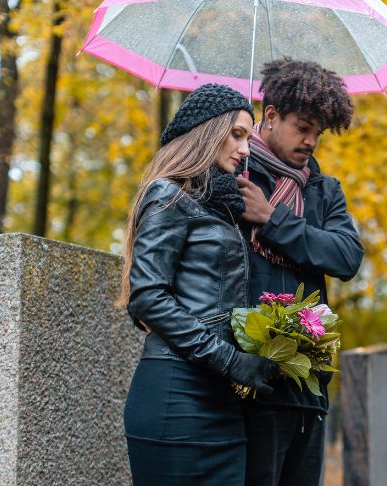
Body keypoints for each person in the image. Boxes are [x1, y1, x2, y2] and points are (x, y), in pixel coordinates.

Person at [117, 83, 279, 485]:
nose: (246, 149)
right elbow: (148, 297)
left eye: (249, 135)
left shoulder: (221, 207)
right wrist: (230, 360)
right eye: (238, 134)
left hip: (221, 401)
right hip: (176, 397)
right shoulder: (168, 194)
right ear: (207, 132)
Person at [236, 58, 364, 485]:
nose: (311, 141)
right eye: (303, 128)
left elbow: (346, 256)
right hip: (248, 377)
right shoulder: (234, 175)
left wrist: (273, 221)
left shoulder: (324, 190)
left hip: (309, 382)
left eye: (318, 133)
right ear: (270, 116)